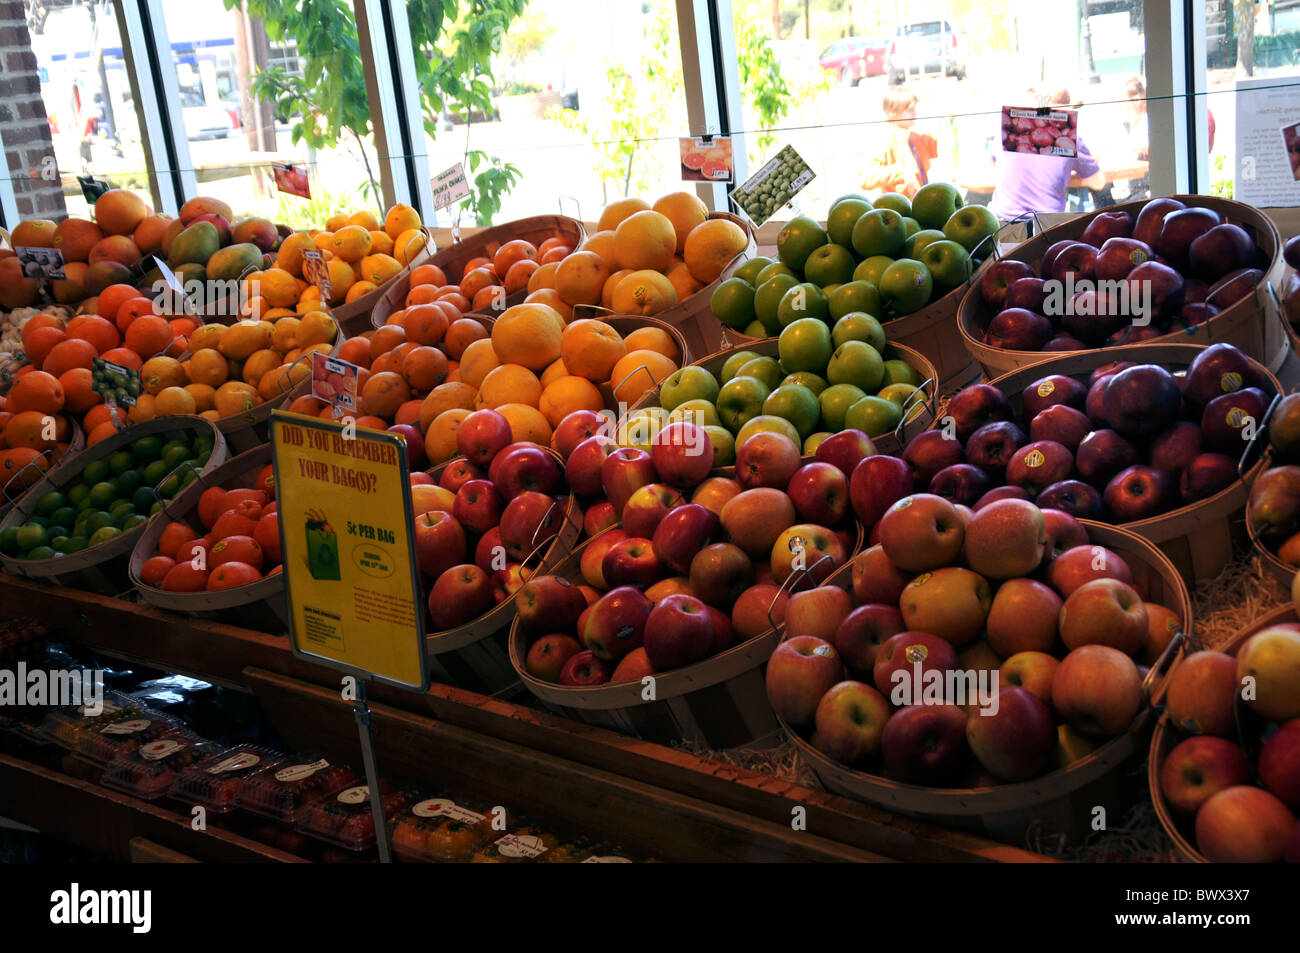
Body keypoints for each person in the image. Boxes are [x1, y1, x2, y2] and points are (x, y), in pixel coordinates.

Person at [989, 87, 1106, 219]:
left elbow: (992, 163)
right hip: (1045, 224)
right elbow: (1098, 182)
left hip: (1000, 220)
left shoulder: (1009, 127)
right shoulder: (1070, 137)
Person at [860, 86, 939, 199]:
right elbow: (865, 177)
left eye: (914, 109)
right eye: (909, 110)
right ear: (893, 111)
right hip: (899, 206)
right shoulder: (885, 140)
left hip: (922, 202)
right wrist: (900, 173)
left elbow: (939, 148)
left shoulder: (914, 136)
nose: (914, 113)